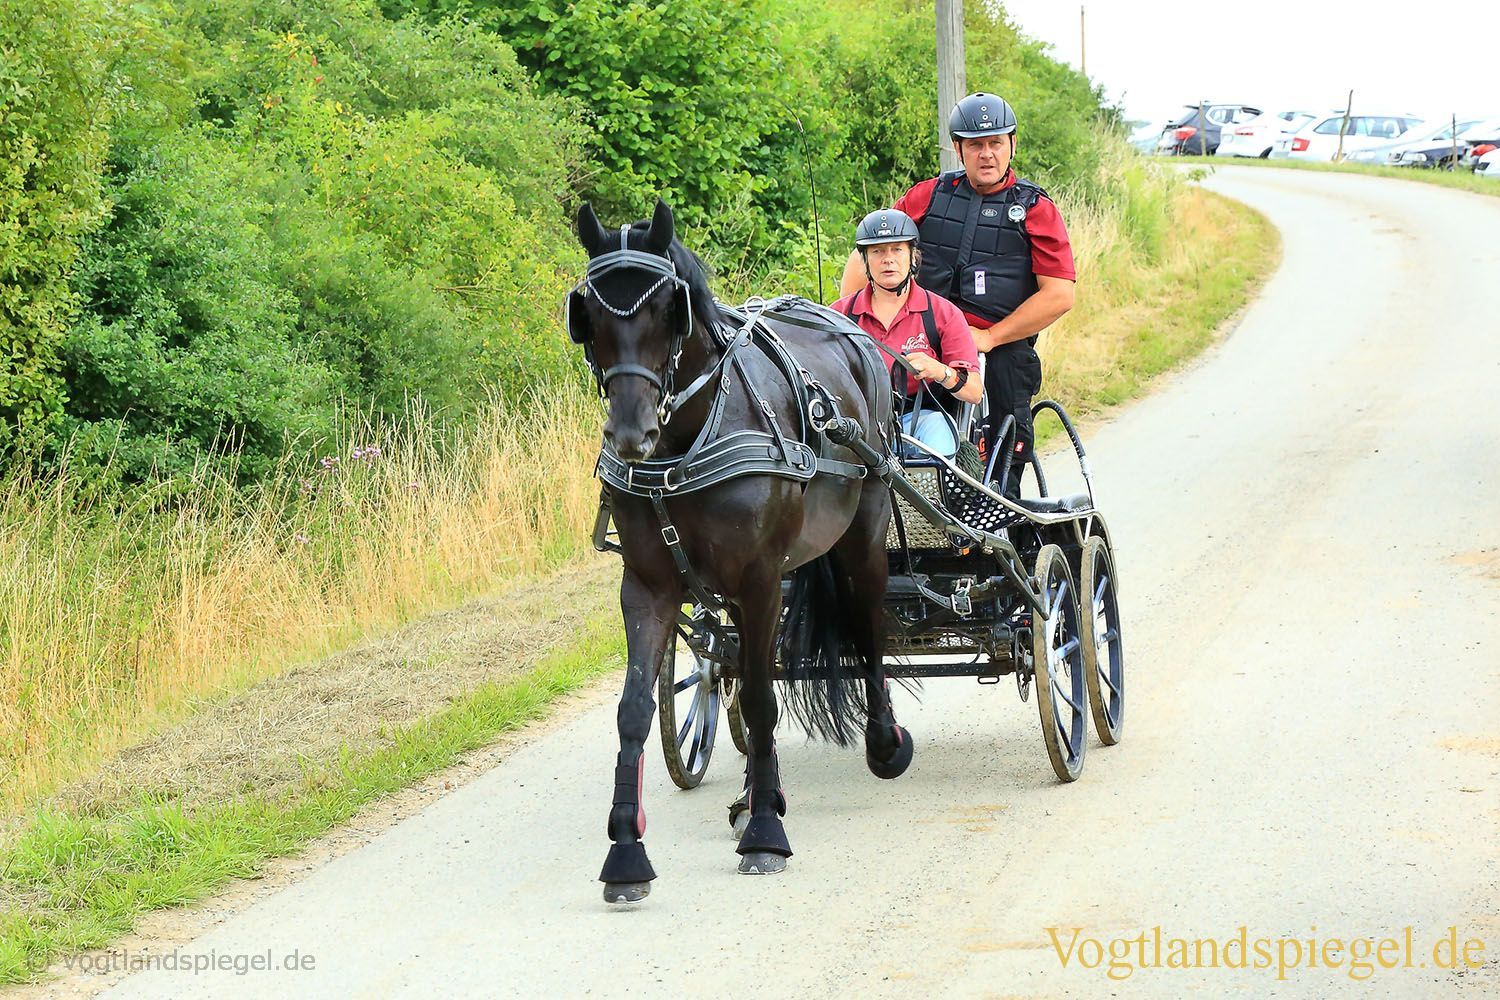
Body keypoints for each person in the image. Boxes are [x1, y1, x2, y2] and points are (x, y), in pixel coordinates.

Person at [840, 92, 1076, 496]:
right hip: (919, 332)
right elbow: (870, 254)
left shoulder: (1035, 208)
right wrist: (856, 324)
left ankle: (1001, 509)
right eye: (975, 145)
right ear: (958, 148)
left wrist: (988, 338)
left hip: (998, 343)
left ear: (1012, 145)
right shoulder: (928, 195)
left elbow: (1058, 294)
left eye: (996, 143)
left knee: (1006, 403)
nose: (987, 154)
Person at [831, 208, 982, 459]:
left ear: (913, 256)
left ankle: (936, 496)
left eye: (897, 249)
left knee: (937, 436)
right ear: (865, 260)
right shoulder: (839, 315)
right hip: (857, 421)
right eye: (877, 251)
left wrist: (939, 371)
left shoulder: (944, 314)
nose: (888, 259)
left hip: (919, 419)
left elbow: (974, 392)